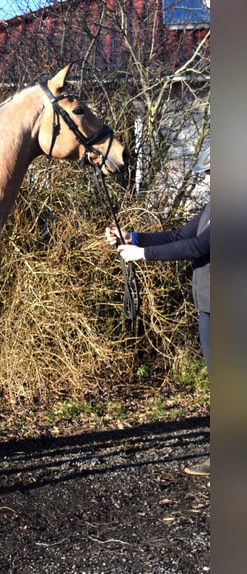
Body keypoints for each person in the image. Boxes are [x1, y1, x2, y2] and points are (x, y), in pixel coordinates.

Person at [105, 138, 210, 477]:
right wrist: (133, 238)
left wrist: (143, 256)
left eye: (210, 172)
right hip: (209, 305)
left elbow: (197, 246)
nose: (206, 178)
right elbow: (178, 234)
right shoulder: (215, 206)